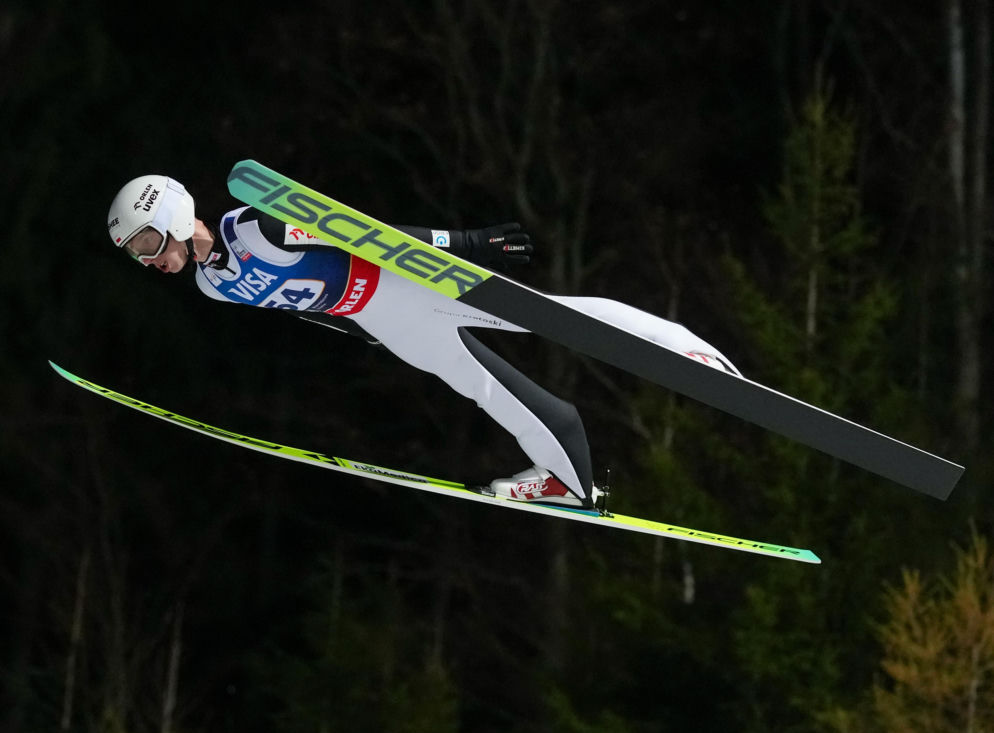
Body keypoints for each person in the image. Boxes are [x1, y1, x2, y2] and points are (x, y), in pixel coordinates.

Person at [107, 175, 739, 509]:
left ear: (167, 217)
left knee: (550, 318)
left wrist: (463, 244)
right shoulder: (214, 287)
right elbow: (300, 305)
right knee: (479, 384)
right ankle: (568, 476)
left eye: (145, 245)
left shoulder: (257, 226)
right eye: (137, 256)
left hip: (404, 284)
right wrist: (362, 330)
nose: (148, 261)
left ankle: (682, 348)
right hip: (383, 319)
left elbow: (362, 233)